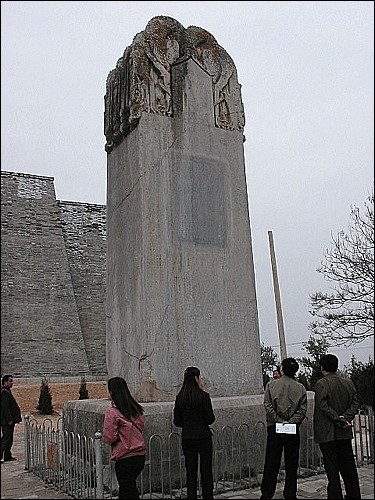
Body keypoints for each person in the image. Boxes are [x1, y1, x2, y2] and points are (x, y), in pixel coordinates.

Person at [313, 354, 361, 499]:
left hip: (328, 433)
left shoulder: (322, 384)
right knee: (349, 467)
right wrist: (346, 418)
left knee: (332, 468)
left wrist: (337, 418)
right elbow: (355, 403)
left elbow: (322, 405)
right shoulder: (348, 383)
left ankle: (335, 495)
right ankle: (354, 494)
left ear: (322, 367)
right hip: (344, 431)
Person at [260, 357, 307, 499]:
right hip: (292, 429)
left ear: (282, 369)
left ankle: (267, 493)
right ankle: (290, 493)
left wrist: (279, 420)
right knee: (292, 463)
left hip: (275, 428)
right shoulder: (301, 388)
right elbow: (302, 409)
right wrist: (291, 422)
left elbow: (268, 406)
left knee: (271, 462)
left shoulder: (271, 385)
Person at [173, 366, 216, 499]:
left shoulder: (180, 398)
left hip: (188, 437)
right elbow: (210, 419)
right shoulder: (204, 396)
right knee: (206, 469)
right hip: (203, 436)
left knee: (190, 471)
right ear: (196, 378)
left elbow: (177, 421)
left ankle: (191, 495)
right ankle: (207, 495)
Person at [102, 377, 146, 499]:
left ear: (112, 392)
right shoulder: (136, 408)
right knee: (128, 488)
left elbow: (109, 436)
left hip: (125, 456)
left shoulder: (112, 412)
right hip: (140, 456)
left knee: (128, 490)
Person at [1, 374, 22, 463]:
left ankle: (7, 455)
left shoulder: (7, 391)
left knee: (9, 438)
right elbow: (5, 408)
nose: (12, 383)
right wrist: (9, 419)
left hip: (9, 420)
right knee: (6, 438)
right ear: (5, 382)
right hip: (6, 421)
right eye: (10, 381)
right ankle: (3, 455)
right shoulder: (4, 392)